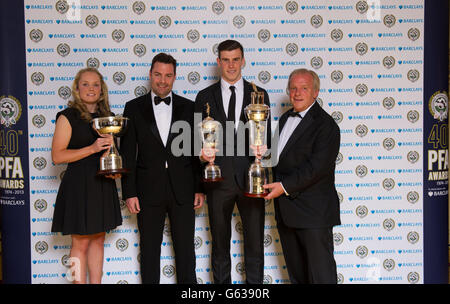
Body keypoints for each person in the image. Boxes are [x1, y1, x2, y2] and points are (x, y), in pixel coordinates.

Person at [120, 53, 205, 284]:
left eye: (168, 75)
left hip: (184, 189)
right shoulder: (133, 107)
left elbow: (195, 150)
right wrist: (129, 192)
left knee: (187, 252)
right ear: (150, 74)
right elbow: (127, 155)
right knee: (149, 252)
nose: (162, 80)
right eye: (158, 74)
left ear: (175, 77)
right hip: (147, 191)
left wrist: (199, 188)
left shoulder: (189, 107)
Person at [195, 40, 271, 284]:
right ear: (218, 62)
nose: (231, 65)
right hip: (217, 180)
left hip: (252, 179)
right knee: (219, 245)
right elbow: (195, 141)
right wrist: (201, 155)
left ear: (243, 60)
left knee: (255, 243)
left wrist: (265, 151)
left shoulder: (259, 93)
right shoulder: (204, 96)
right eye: (225, 60)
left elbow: (266, 139)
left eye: (235, 59)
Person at [263, 68, 341, 284]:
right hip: (287, 213)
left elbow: (316, 168)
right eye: (293, 88)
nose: (297, 93)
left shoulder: (326, 126)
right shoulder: (286, 118)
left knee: (321, 277)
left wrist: (283, 187)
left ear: (315, 92)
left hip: (313, 215)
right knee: (297, 278)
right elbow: (278, 159)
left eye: (304, 88)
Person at [51, 68, 122, 284]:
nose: (90, 89)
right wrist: (91, 149)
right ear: (77, 88)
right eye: (85, 84)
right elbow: (57, 155)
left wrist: (114, 168)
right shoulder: (67, 117)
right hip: (79, 186)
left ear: (101, 90)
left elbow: (113, 152)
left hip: (101, 183)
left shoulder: (107, 118)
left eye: (95, 84)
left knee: (98, 240)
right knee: (79, 243)